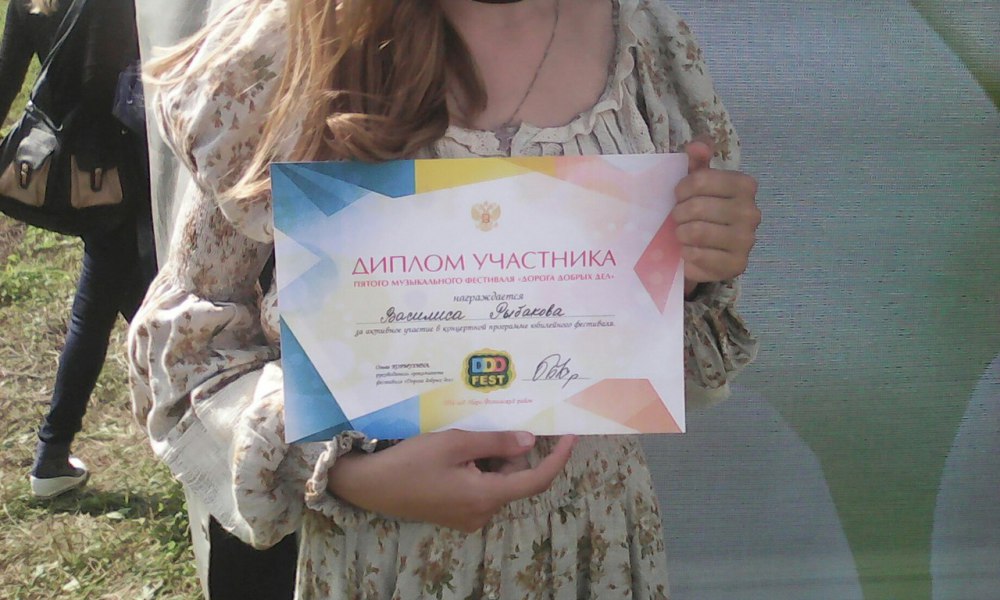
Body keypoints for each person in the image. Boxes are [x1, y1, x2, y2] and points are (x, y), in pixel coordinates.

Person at [130, 0, 760, 597]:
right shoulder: (298, 49)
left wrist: (695, 263)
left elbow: (668, 339)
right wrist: (347, 474)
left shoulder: (644, 46)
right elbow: (189, 345)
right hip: (388, 559)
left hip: (594, 547)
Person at [0, 0, 155, 499]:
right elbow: (106, 83)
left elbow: (6, 79)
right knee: (133, 305)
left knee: (129, 301)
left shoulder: (28, 2)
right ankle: (51, 454)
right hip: (124, 171)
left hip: (87, 176)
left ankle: (53, 455)